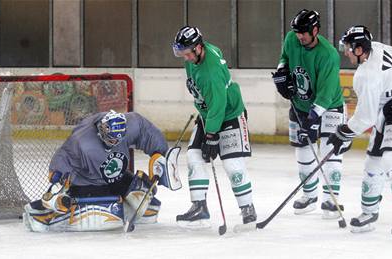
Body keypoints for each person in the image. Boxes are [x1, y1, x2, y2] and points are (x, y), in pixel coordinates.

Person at [328, 25, 392, 241]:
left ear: (360, 49)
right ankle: (369, 213)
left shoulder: (365, 76)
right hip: (388, 112)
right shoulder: (378, 47)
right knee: (373, 162)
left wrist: (344, 131)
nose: (345, 51)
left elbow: (366, 118)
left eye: (348, 47)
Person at [23, 110, 180, 232]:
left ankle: (132, 198)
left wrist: (159, 154)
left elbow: (148, 133)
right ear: (101, 130)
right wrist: (58, 176)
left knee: (142, 193)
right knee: (64, 197)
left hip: (115, 175)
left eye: (118, 139)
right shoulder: (84, 142)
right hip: (85, 179)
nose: (114, 143)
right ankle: (50, 205)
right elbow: (65, 154)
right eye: (111, 139)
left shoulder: (132, 124)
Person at [172, 26, 256, 227]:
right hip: (209, 115)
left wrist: (211, 135)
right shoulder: (195, 57)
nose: (185, 58)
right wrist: (204, 118)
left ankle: (248, 209)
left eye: (187, 53)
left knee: (232, 164)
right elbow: (204, 96)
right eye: (182, 53)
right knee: (193, 155)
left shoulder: (210, 71)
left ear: (199, 48)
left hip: (229, 115)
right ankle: (199, 208)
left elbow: (218, 105)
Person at [272, 9, 345, 218]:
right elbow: (284, 57)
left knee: (331, 151)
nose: (299, 36)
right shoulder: (292, 39)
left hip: (330, 106)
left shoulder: (328, 54)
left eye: (303, 32)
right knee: (303, 151)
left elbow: (326, 94)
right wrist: (281, 74)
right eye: (297, 32)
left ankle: (331, 200)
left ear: (315, 30)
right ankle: (309, 195)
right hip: (300, 105)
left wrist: (313, 119)